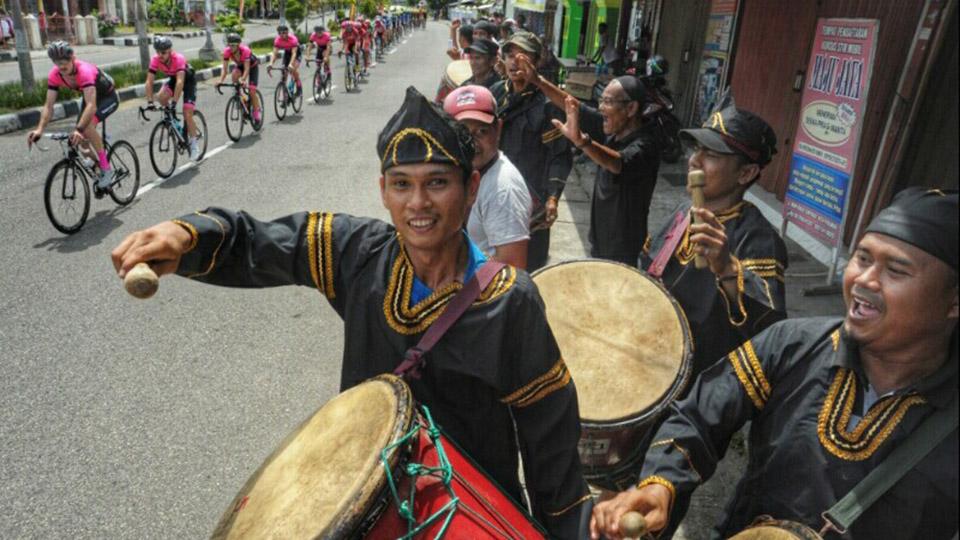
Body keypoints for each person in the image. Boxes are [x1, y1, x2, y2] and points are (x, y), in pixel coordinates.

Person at [110, 87, 593, 538]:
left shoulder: (510, 300)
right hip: (367, 511)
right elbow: (270, 241)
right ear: (383, 190)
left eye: (437, 183)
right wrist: (190, 236)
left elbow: (550, 448)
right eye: (402, 184)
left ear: (470, 188)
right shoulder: (360, 254)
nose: (418, 203)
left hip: (470, 516)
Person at [592, 187, 959, 540]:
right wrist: (660, 486)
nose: (864, 279)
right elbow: (701, 416)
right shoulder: (793, 344)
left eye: (895, 270)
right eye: (862, 258)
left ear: (953, 302)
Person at [640, 94, 787, 378]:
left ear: (746, 173)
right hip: (655, 353)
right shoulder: (684, 210)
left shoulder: (759, 238)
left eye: (712, 154)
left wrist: (728, 268)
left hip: (702, 375)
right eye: (697, 149)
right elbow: (647, 264)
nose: (694, 160)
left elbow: (769, 328)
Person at [518, 57, 660, 265]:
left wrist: (582, 142)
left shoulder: (646, 144)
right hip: (600, 241)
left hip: (624, 249)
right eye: (601, 100)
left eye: (608, 102)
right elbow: (573, 106)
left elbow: (617, 163)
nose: (601, 108)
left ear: (631, 109)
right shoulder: (614, 132)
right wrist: (538, 80)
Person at [491, 32, 572, 271]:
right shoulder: (496, 94)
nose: (514, 61)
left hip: (531, 200)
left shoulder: (548, 104)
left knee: (529, 267)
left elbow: (559, 154)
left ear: (536, 62)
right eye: (509, 55)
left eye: (522, 56)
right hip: (495, 194)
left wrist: (553, 198)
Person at [443, 85, 531, 269]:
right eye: (463, 133)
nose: (472, 143)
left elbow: (512, 267)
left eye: (482, 131)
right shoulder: (463, 170)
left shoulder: (503, 189)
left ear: (498, 129)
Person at [28, 41, 119, 193]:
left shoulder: (84, 71)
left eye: (64, 62)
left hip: (108, 97)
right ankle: (98, 169)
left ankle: (106, 169)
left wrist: (79, 129)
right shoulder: (55, 75)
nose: (61, 67)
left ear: (73, 58)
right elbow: (48, 105)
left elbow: (91, 105)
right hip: (90, 97)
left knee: (86, 129)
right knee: (82, 144)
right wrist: (39, 129)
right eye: (57, 63)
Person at [145, 37, 201, 161]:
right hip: (174, 80)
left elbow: (180, 82)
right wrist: (150, 102)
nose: (160, 55)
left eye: (163, 52)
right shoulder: (155, 60)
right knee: (160, 97)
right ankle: (173, 119)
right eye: (158, 52)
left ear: (170, 50)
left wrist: (174, 102)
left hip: (188, 81)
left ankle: (194, 144)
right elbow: (149, 81)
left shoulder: (178, 58)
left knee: (187, 113)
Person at [217, 32, 262, 124]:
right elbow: (224, 70)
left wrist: (243, 79)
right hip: (240, 66)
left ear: (238, 45)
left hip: (252, 67)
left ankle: (256, 112)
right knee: (234, 74)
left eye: (233, 45)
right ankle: (242, 100)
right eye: (229, 44)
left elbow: (247, 68)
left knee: (252, 91)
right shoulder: (227, 52)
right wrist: (220, 81)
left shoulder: (245, 50)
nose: (231, 47)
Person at [269, 24, 302, 96]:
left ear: (287, 32)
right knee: (284, 73)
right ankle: (285, 96)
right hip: (287, 54)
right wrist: (271, 63)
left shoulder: (293, 39)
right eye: (279, 33)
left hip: (296, 54)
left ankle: (299, 87)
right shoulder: (277, 40)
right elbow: (274, 53)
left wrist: (290, 64)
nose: (281, 34)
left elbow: (294, 54)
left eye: (283, 32)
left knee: (293, 69)